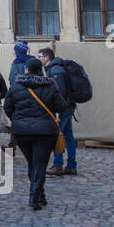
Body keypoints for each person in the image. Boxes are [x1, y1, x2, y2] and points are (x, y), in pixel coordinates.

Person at [3, 58, 63, 210]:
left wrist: (17, 120)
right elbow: (62, 106)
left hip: (21, 131)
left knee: (32, 163)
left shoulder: (16, 86)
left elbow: (8, 107)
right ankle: (34, 196)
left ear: (26, 70)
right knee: (40, 164)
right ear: (41, 70)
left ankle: (39, 194)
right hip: (45, 131)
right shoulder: (50, 86)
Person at [39, 47, 78, 177]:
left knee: (58, 136)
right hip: (67, 106)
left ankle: (58, 164)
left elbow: (59, 93)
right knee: (68, 135)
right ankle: (71, 165)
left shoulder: (55, 71)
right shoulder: (56, 68)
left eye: (40, 57)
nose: (39, 59)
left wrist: (57, 111)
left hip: (63, 108)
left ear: (47, 58)